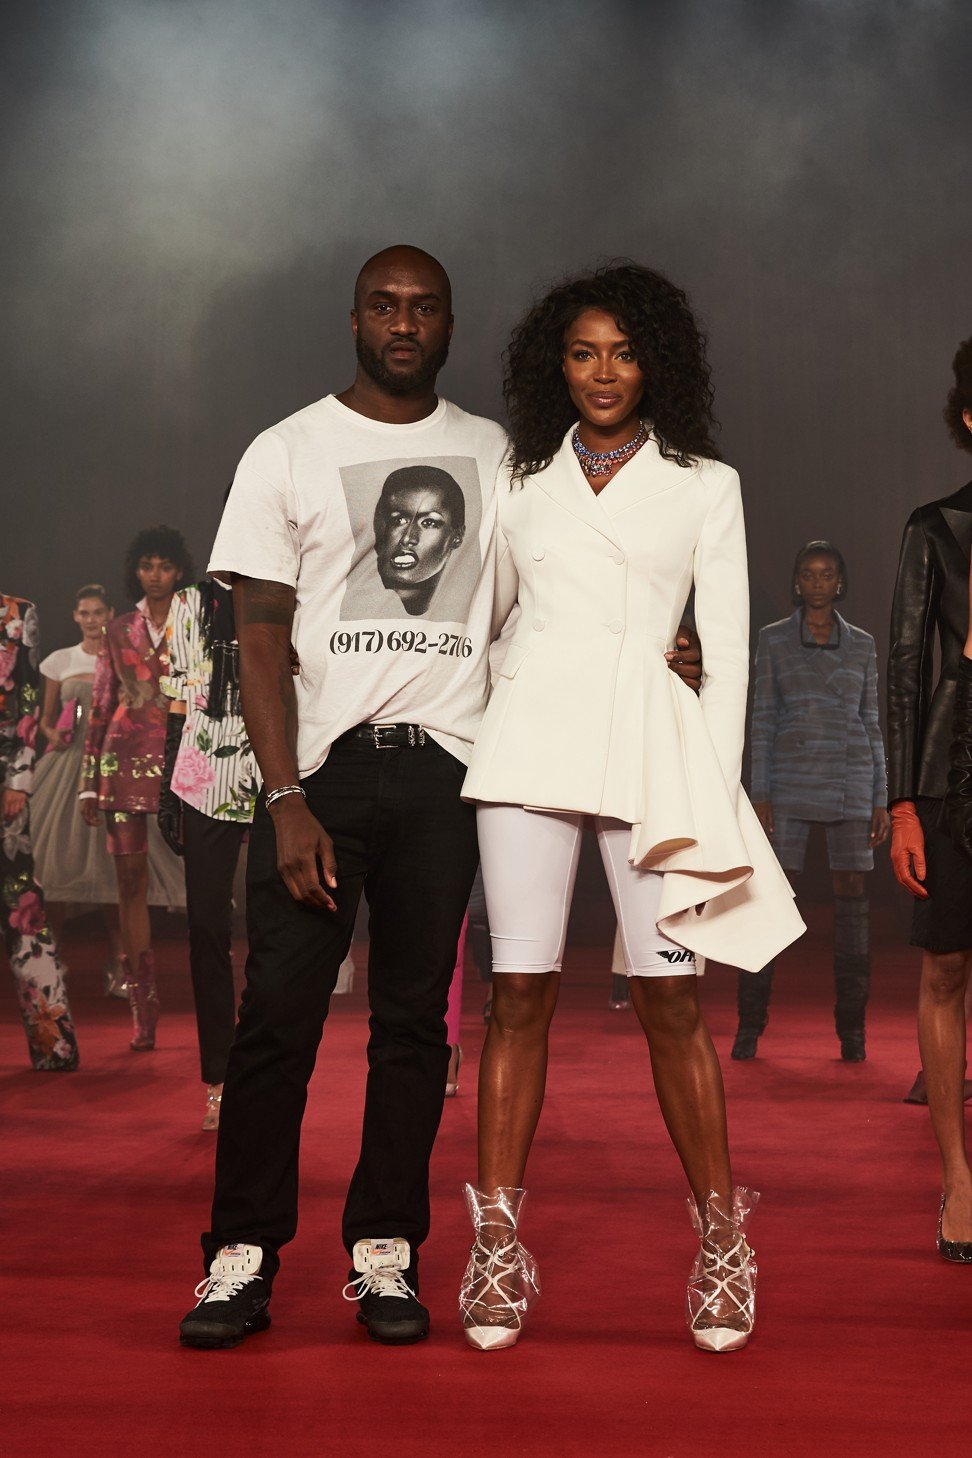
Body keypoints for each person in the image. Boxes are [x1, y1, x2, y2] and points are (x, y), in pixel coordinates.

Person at [177, 245, 703, 1353]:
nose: (403, 323)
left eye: (424, 308)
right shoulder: (287, 451)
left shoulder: (497, 456)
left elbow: (559, 599)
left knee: (416, 1028)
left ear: (452, 325)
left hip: (452, 775)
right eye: (384, 305)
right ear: (354, 317)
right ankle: (241, 1255)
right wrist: (283, 798)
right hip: (318, 777)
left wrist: (662, 647)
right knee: (277, 1021)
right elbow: (258, 642)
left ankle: (385, 1251)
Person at [459, 263, 804, 1354]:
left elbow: (733, 653)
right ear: (553, 366)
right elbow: (486, 623)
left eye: (622, 350)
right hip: (527, 751)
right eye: (581, 352)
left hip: (654, 756)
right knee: (517, 995)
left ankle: (721, 1244)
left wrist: (704, 772)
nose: (602, 373)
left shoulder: (708, 484)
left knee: (669, 1005)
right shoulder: (517, 483)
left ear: (655, 360)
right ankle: (498, 1248)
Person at [733, 542, 889, 1061]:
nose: (818, 582)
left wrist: (880, 798)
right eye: (808, 573)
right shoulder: (774, 640)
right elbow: (762, 718)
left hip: (850, 779)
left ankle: (854, 1033)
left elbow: (871, 721)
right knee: (773, 900)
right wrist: (759, 793)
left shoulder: (863, 644)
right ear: (796, 581)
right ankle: (749, 1025)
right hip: (790, 781)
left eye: (827, 574)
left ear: (840, 582)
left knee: (853, 904)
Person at [892, 333, 972, 1260]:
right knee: (947, 970)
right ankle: (958, 1178)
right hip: (958, 775)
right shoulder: (937, 527)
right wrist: (903, 804)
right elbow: (907, 672)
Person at [32, 584, 182, 994]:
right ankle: (51, 960)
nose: (92, 619)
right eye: (85, 612)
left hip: (121, 760)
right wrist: (55, 733)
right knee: (59, 865)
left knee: (117, 872)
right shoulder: (58, 660)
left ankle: (123, 964)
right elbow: (44, 718)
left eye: (99, 612)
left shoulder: (124, 645)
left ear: (108, 613)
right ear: (76, 616)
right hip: (70, 766)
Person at [79, 527, 192, 1051]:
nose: (155, 573)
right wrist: (86, 784)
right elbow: (101, 702)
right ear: (137, 570)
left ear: (177, 570)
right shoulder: (120, 627)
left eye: (164, 565)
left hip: (184, 758)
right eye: (147, 564)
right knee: (128, 883)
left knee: (206, 876)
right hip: (122, 759)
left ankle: (217, 994)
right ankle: (141, 1007)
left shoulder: (195, 619)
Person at [157, 574, 258, 1130]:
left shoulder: (290, 588)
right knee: (205, 928)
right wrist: (166, 788)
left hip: (274, 770)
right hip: (202, 775)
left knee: (272, 931)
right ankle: (218, 1077)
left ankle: (261, 1070)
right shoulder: (191, 602)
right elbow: (177, 697)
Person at [1, 592, 79, 1070]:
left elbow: (29, 699)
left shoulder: (16, 613)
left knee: (23, 911)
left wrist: (21, 780)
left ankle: (54, 1046)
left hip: (7, 784)